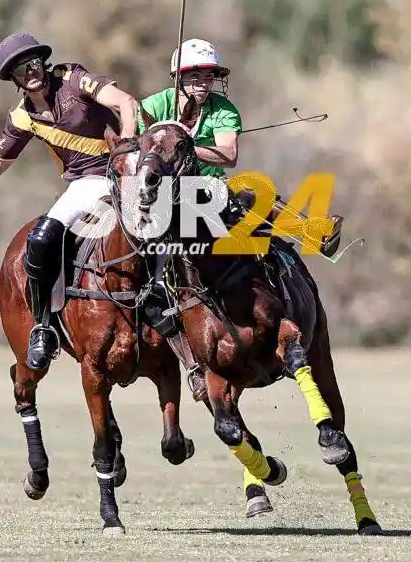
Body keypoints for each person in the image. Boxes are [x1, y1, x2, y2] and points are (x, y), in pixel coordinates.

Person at [137, 38, 345, 401]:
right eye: (195, 76)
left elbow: (229, 154)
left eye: (209, 76)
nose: (203, 83)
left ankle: (313, 232)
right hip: (166, 201)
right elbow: (142, 149)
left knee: (251, 196)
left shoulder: (224, 110)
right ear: (179, 78)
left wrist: (183, 143)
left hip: (210, 190)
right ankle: (192, 365)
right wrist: (163, 142)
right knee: (149, 281)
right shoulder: (155, 105)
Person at [0, 33, 141, 371]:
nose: (30, 72)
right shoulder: (23, 118)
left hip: (123, 172)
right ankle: (44, 328)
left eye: (32, 63)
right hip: (85, 185)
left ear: (43, 62)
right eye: (19, 70)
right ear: (13, 80)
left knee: (177, 232)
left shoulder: (74, 81)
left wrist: (128, 148)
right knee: (40, 241)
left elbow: (125, 103)